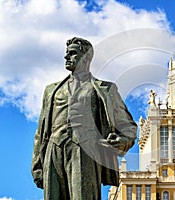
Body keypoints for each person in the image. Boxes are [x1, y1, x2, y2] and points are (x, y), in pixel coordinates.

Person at [31, 37, 137, 199]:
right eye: (67, 53)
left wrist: (122, 141)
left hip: (85, 151)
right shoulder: (51, 90)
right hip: (54, 151)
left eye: (72, 53)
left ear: (86, 57)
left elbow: (128, 125)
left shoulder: (105, 89)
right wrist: (37, 164)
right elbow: (40, 131)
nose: (66, 57)